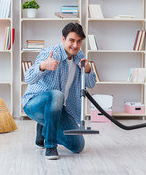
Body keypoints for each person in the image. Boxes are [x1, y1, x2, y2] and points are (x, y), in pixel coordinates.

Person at [22, 22, 96, 160]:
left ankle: (43, 129)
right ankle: (50, 146)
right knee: (57, 94)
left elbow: (91, 84)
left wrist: (88, 70)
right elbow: (28, 78)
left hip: (57, 109)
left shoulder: (79, 56)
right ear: (63, 39)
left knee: (78, 146)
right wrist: (43, 66)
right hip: (34, 105)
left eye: (79, 41)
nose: (75, 45)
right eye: (71, 40)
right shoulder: (51, 53)